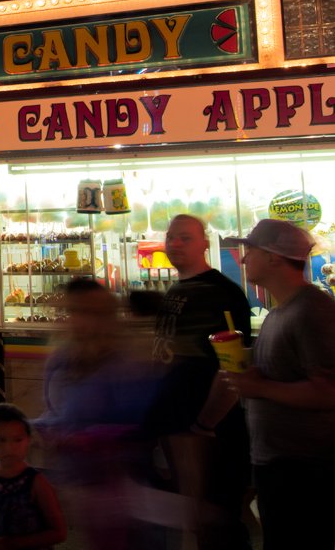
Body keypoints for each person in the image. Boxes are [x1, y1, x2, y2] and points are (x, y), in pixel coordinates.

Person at [216, 219, 335, 549]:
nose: (242, 259)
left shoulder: (312, 310)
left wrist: (260, 389)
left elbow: (329, 391)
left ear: (273, 257)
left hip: (305, 470)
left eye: (249, 250)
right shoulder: (278, 313)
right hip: (278, 463)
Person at [146, 214, 253, 549]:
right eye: (171, 237)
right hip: (178, 429)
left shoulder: (221, 293)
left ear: (205, 243)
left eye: (186, 238)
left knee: (216, 522)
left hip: (208, 433)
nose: (175, 244)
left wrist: (205, 425)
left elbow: (232, 368)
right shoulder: (177, 289)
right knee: (196, 521)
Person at [35, 278, 163, 550]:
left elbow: (141, 421)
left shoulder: (127, 360)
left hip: (121, 487)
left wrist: (85, 439)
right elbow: (57, 410)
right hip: (81, 483)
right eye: (70, 312)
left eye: (83, 312)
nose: (73, 320)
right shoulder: (62, 359)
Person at [0, 403, 67, 550]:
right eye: (1, 440)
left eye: (17, 440)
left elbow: (59, 532)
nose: (10, 448)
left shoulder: (36, 482)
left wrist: (15, 543)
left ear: (28, 440)